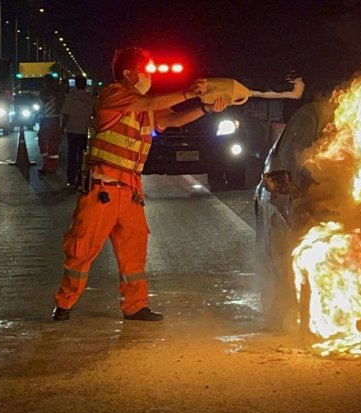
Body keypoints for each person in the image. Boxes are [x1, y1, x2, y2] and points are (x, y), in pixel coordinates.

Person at [52, 47, 226, 321]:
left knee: (134, 255)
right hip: (102, 190)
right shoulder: (114, 94)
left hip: (130, 192)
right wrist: (188, 93)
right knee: (81, 250)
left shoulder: (148, 104)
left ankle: (135, 306)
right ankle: (64, 303)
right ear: (128, 73)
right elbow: (149, 104)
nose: (149, 76)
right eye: (145, 70)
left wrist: (204, 107)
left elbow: (174, 119)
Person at [61, 75, 95, 189]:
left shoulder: (70, 97)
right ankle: (81, 180)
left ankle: (71, 180)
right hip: (84, 131)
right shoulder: (90, 98)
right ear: (85, 84)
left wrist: (62, 128)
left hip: (72, 130)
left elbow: (65, 114)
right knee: (83, 156)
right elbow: (94, 114)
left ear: (75, 84)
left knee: (72, 156)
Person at [38, 74, 65, 175]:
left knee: (51, 145)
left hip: (53, 119)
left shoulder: (57, 93)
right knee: (45, 144)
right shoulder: (46, 93)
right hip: (47, 120)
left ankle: (50, 167)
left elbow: (60, 106)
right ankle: (47, 166)